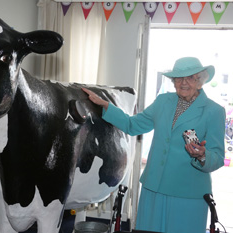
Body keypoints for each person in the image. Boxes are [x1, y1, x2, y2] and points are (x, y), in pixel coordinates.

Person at [82, 57, 225, 233]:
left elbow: (218, 157)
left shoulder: (214, 111)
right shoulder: (162, 101)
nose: (183, 82)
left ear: (200, 81)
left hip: (188, 195)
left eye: (190, 77)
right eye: (178, 78)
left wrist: (202, 155)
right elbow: (132, 125)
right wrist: (106, 106)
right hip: (154, 189)